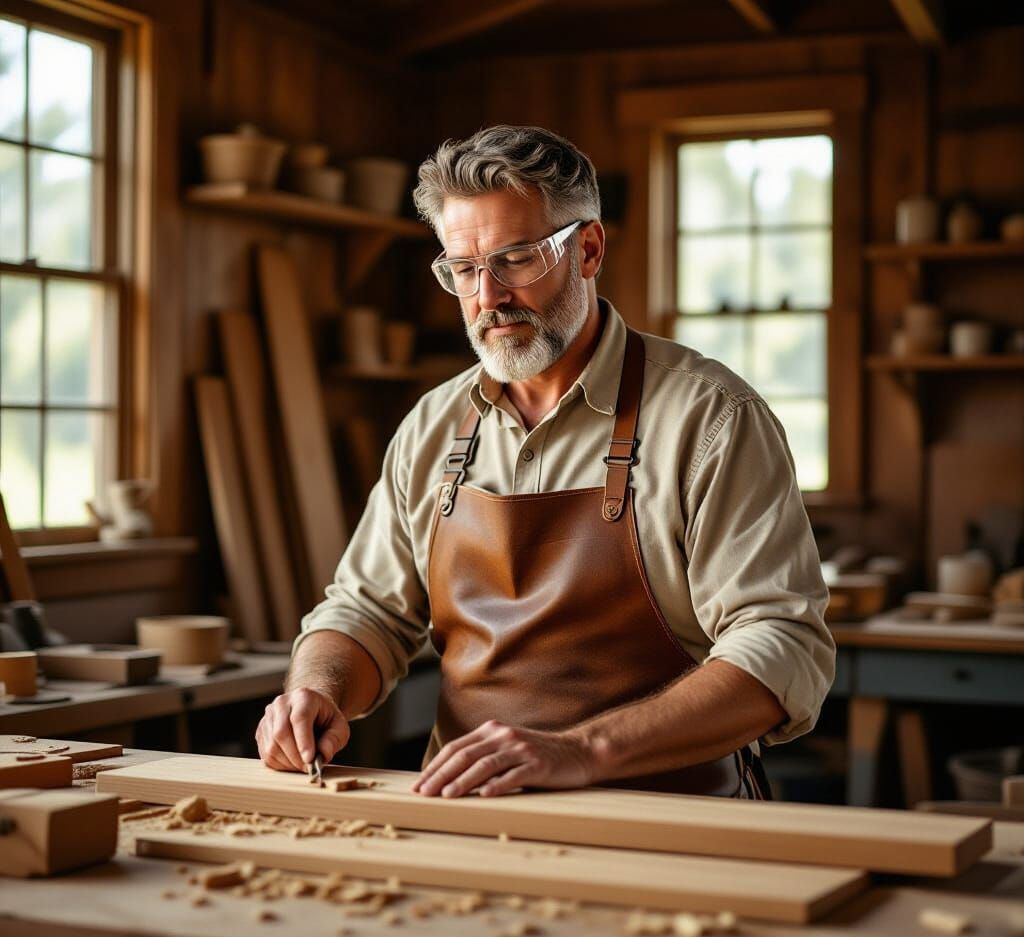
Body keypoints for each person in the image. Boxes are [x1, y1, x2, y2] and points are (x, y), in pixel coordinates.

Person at [255, 125, 834, 799]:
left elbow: (781, 646)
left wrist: (583, 751)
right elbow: (366, 613)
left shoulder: (711, 418)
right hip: (469, 812)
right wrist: (317, 688)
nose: (489, 297)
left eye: (516, 260)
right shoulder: (432, 427)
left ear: (587, 250)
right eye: (464, 270)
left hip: (670, 821)